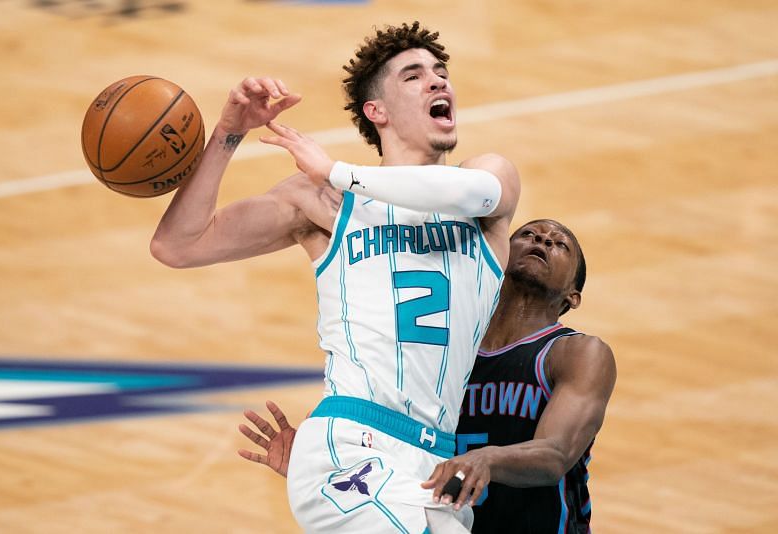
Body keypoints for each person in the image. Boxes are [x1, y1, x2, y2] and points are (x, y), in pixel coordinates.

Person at [151, 21, 520, 533]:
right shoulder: (326, 205)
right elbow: (177, 244)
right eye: (414, 77)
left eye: (440, 72)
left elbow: (467, 191)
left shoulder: (485, 183)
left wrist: (338, 170)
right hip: (350, 444)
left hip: (435, 466)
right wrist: (229, 132)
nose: (438, 82)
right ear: (378, 112)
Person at [239, 219, 616, 534]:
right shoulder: (444, 347)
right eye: (529, 235)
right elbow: (397, 438)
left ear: (574, 296)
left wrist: (486, 459)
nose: (542, 241)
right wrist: (322, 464)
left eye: (559, 244)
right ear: (500, 255)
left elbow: (556, 455)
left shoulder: (577, 353)